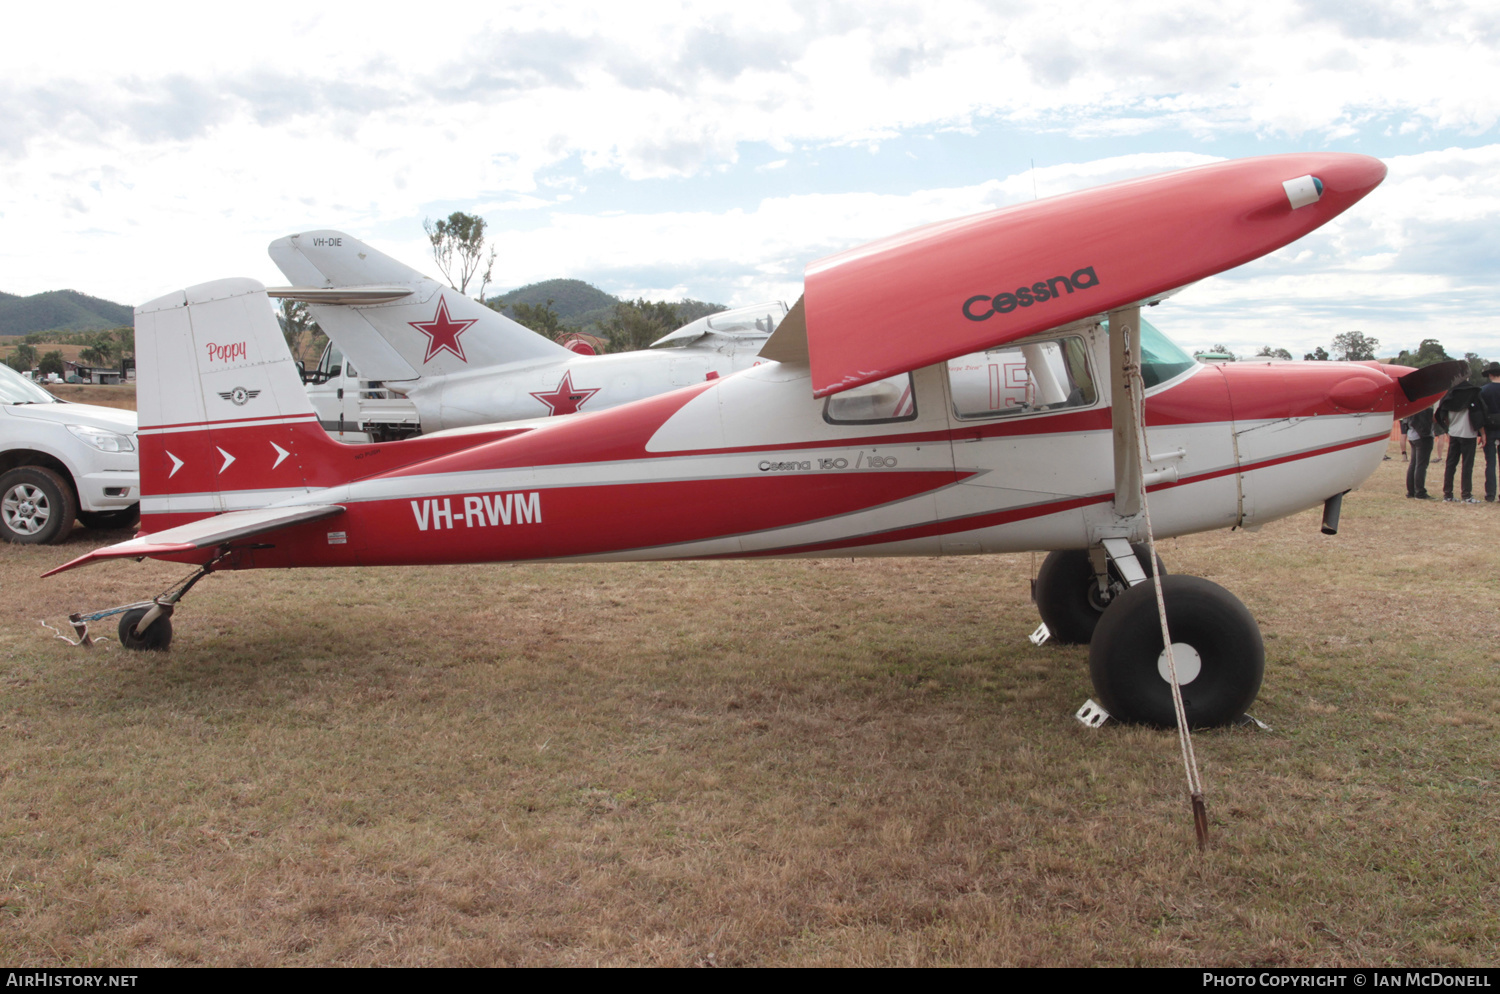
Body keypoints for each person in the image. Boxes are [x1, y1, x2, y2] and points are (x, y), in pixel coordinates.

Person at [1436, 382, 1486, 503]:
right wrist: (1483, 434)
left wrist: (1448, 428)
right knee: (1467, 465)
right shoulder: (1472, 394)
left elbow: (1442, 414)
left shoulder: (1450, 395)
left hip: (1454, 433)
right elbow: (1478, 415)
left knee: (1451, 464)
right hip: (1468, 434)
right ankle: (1466, 495)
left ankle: (1447, 494)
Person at [1406, 405, 1436, 499]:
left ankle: (1411, 491)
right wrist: (1426, 434)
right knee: (1421, 465)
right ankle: (1420, 492)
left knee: (1414, 464)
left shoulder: (1414, 404)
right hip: (1422, 436)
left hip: (1412, 435)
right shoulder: (1426, 405)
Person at [1481, 362, 1500, 502]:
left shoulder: (1483, 390)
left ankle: (1490, 494)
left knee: (1490, 463)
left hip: (1489, 429)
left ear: (1490, 374)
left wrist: (1481, 432)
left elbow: (1479, 413)